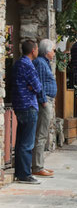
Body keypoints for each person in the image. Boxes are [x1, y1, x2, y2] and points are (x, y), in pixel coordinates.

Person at [12, 40, 42, 184]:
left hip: (19, 105)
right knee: (27, 142)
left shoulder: (18, 63)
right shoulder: (28, 65)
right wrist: (31, 87)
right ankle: (25, 174)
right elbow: (37, 86)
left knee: (20, 141)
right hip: (29, 105)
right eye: (36, 49)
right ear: (33, 50)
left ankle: (19, 171)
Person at [32, 39, 57, 178]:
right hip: (44, 101)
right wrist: (44, 102)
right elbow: (39, 84)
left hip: (47, 100)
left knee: (43, 133)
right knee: (41, 134)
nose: (54, 53)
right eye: (53, 50)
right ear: (47, 51)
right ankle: (37, 166)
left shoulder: (44, 62)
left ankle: (39, 164)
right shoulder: (41, 63)